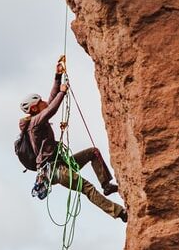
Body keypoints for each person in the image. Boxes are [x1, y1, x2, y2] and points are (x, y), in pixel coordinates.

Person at [18, 57, 127, 222]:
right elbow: (52, 108)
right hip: (54, 170)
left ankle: (106, 185)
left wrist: (57, 76)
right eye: (41, 102)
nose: (45, 102)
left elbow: (51, 101)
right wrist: (62, 91)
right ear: (34, 108)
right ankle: (119, 213)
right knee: (87, 188)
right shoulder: (35, 123)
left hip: (59, 163)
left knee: (93, 152)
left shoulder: (37, 119)